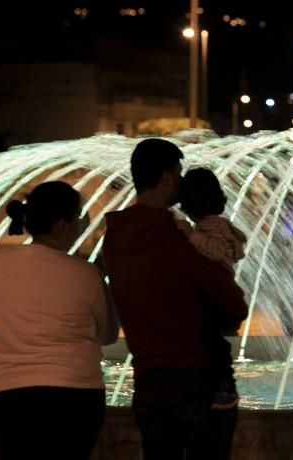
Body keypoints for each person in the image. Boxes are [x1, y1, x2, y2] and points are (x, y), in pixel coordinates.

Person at [102, 138, 248, 460]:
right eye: (179, 174)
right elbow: (235, 305)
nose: (182, 183)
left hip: (148, 381)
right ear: (166, 178)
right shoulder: (174, 237)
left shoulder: (113, 239)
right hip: (197, 379)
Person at [0, 181, 119, 460]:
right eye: (78, 218)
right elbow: (107, 335)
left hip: (10, 395)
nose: (81, 225)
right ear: (61, 224)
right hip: (75, 395)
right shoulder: (85, 273)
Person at [177, 168, 246, 410]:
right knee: (210, 340)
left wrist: (190, 235)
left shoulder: (211, 225)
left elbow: (216, 251)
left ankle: (222, 390)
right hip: (217, 290)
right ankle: (219, 387)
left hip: (214, 294)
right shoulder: (215, 223)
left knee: (210, 341)